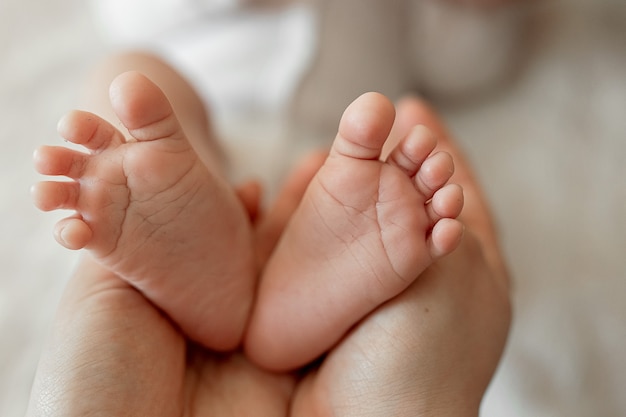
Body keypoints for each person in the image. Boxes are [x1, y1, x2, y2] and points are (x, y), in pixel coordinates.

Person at [27, 79, 510, 415]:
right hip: (353, 71)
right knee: (140, 96)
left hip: (223, 60)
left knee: (136, 77)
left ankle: (183, 184)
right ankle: (183, 187)